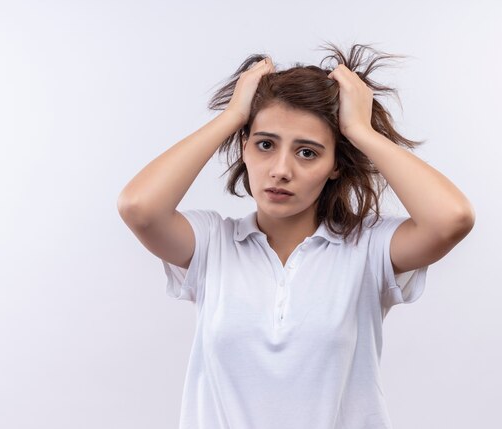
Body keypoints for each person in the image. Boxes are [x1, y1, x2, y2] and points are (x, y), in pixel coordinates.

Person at [117, 42, 475, 429]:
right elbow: (139, 207)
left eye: (307, 152)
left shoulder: (367, 248)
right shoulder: (212, 243)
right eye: (265, 145)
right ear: (245, 148)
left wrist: (360, 131)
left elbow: (451, 219)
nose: (281, 170)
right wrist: (234, 115)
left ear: (335, 164)